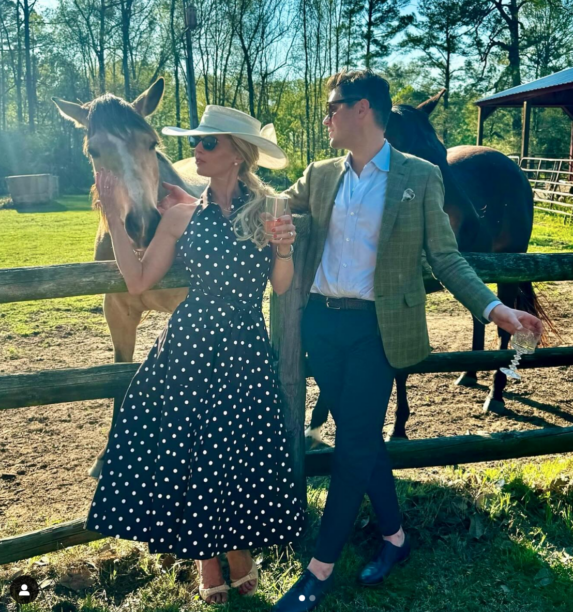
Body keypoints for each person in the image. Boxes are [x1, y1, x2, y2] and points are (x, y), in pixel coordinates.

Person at [272, 69, 544, 612]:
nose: (326, 116)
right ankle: (396, 538)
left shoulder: (419, 177)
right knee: (361, 436)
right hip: (323, 327)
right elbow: (277, 205)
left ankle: (319, 569)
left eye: (333, 107)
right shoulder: (321, 174)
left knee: (352, 443)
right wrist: (250, 213)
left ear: (364, 110)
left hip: (379, 330)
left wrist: (493, 308)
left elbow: (444, 256)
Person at [84, 105, 304, 605]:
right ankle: (208, 559)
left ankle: (240, 551)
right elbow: (138, 280)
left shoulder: (269, 208)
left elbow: (281, 285)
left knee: (238, 453)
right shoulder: (180, 214)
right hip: (190, 347)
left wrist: (285, 249)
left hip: (244, 347)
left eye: (208, 144)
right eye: (196, 143)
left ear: (236, 154)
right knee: (192, 453)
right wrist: (115, 218)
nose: (196, 152)